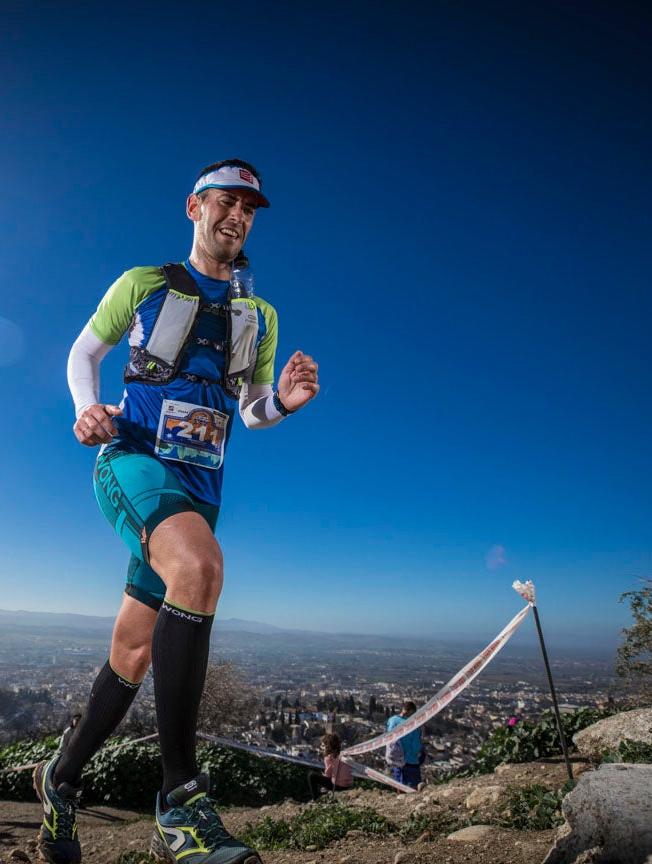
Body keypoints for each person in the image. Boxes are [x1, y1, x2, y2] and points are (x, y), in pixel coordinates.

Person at [38, 158, 320, 864]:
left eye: (250, 209)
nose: (239, 217)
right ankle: (180, 804)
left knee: (132, 653)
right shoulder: (144, 283)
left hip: (201, 487)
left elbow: (251, 413)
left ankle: (61, 780)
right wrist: (86, 410)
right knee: (199, 568)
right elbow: (83, 352)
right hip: (132, 462)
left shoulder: (261, 315)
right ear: (194, 208)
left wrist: (283, 402)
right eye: (226, 202)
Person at [386, 700, 425, 790]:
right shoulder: (413, 725)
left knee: (400, 786)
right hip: (410, 761)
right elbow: (416, 747)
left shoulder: (391, 720)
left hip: (396, 760)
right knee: (413, 788)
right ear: (411, 711)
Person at [307, 732, 353, 801]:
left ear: (328, 746)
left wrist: (323, 775)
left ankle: (315, 799)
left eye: (323, 746)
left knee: (312, 775)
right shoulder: (342, 755)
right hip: (347, 786)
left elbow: (328, 775)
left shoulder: (329, 757)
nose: (321, 748)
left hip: (338, 787)